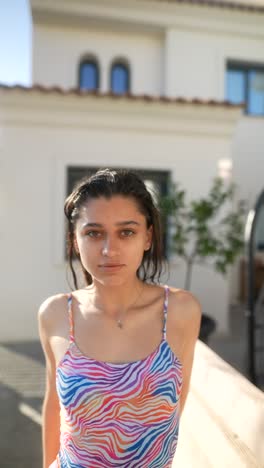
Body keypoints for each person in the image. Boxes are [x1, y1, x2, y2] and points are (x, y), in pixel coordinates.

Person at [38, 168, 201, 468]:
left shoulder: (181, 311)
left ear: (148, 237)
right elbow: (53, 409)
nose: (109, 250)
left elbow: (176, 408)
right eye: (93, 233)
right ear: (75, 241)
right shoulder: (56, 314)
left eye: (126, 232)